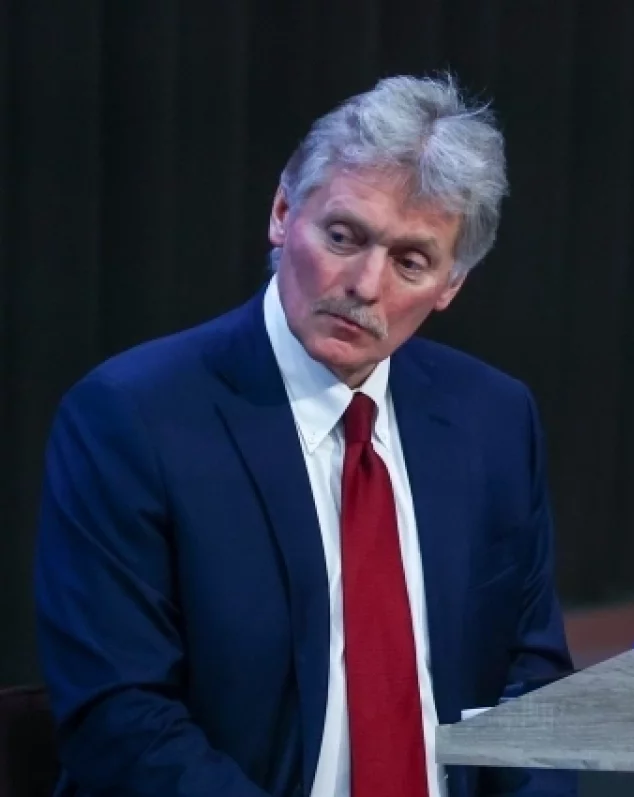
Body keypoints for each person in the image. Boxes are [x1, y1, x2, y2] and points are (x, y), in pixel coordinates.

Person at [33, 74, 576, 797]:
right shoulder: (131, 418)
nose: (365, 284)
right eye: (344, 236)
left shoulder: (494, 418)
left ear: (451, 283)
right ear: (284, 212)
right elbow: (120, 719)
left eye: (411, 262)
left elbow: (533, 682)